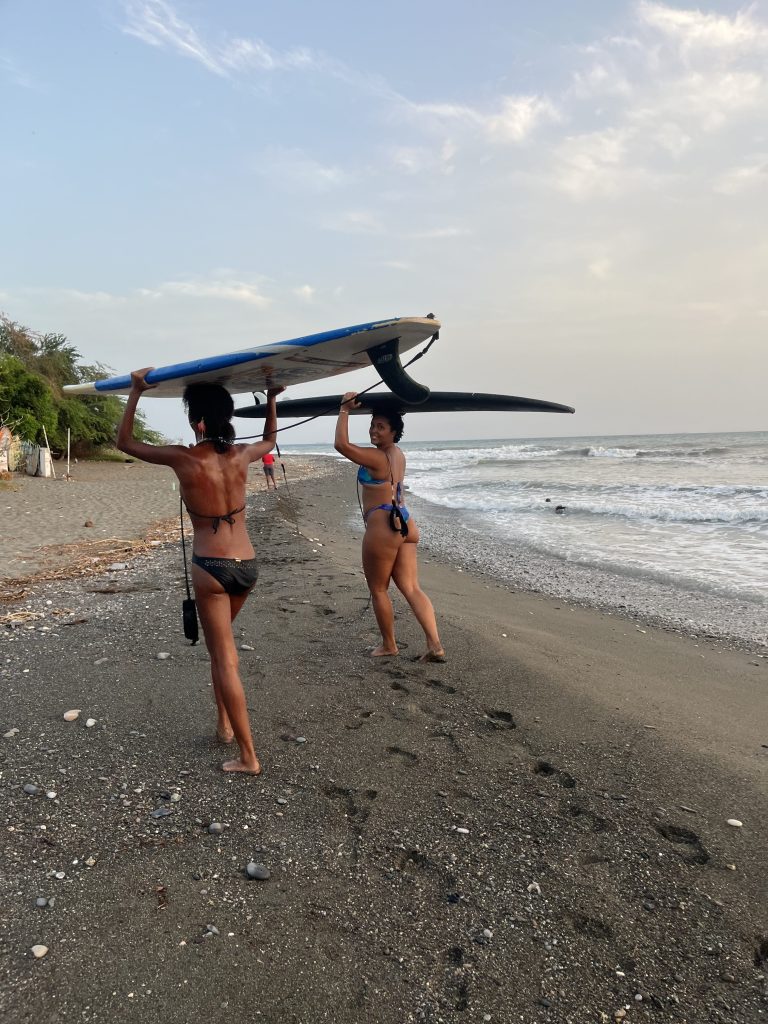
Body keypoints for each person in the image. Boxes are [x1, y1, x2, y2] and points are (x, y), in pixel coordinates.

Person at [116, 368, 284, 775]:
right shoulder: (242, 455)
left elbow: (125, 443)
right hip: (247, 567)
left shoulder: (184, 457)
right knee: (217, 648)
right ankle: (223, 726)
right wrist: (271, 399)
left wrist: (136, 391)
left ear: (198, 422)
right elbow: (270, 441)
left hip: (211, 569)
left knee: (225, 658)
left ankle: (248, 756)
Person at [334, 392, 445, 661]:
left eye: (381, 426)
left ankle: (389, 645)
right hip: (405, 522)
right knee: (411, 587)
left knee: (379, 589)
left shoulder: (378, 457)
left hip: (383, 525)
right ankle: (435, 645)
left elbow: (341, 445)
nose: (374, 430)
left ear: (394, 432)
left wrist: (344, 410)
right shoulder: (397, 454)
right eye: (372, 425)